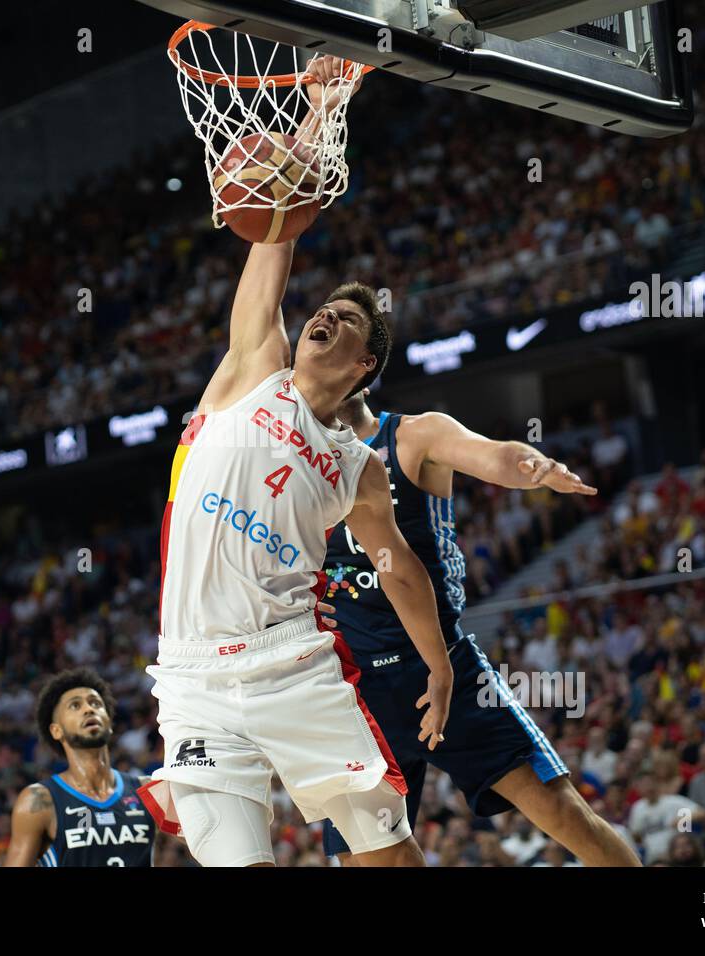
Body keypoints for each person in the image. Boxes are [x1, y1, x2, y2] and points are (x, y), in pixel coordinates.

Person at [141, 55, 453, 867]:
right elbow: (278, 229)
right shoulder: (253, 367)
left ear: (362, 367)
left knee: (390, 859)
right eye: (324, 308)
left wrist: (440, 665)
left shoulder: (357, 467)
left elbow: (399, 568)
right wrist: (323, 107)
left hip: (297, 670)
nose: (326, 315)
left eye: (346, 320)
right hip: (193, 681)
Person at [318, 389, 639, 866]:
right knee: (372, 861)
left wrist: (534, 465)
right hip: (357, 691)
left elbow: (494, 454)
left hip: (442, 665)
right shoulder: (299, 465)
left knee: (562, 812)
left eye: (344, 320)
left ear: (364, 366)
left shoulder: (415, 434)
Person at [7, 669, 157, 867]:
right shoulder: (39, 801)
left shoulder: (147, 790)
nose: (88, 709)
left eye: (95, 703)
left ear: (109, 722)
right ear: (56, 730)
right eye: (75, 705)